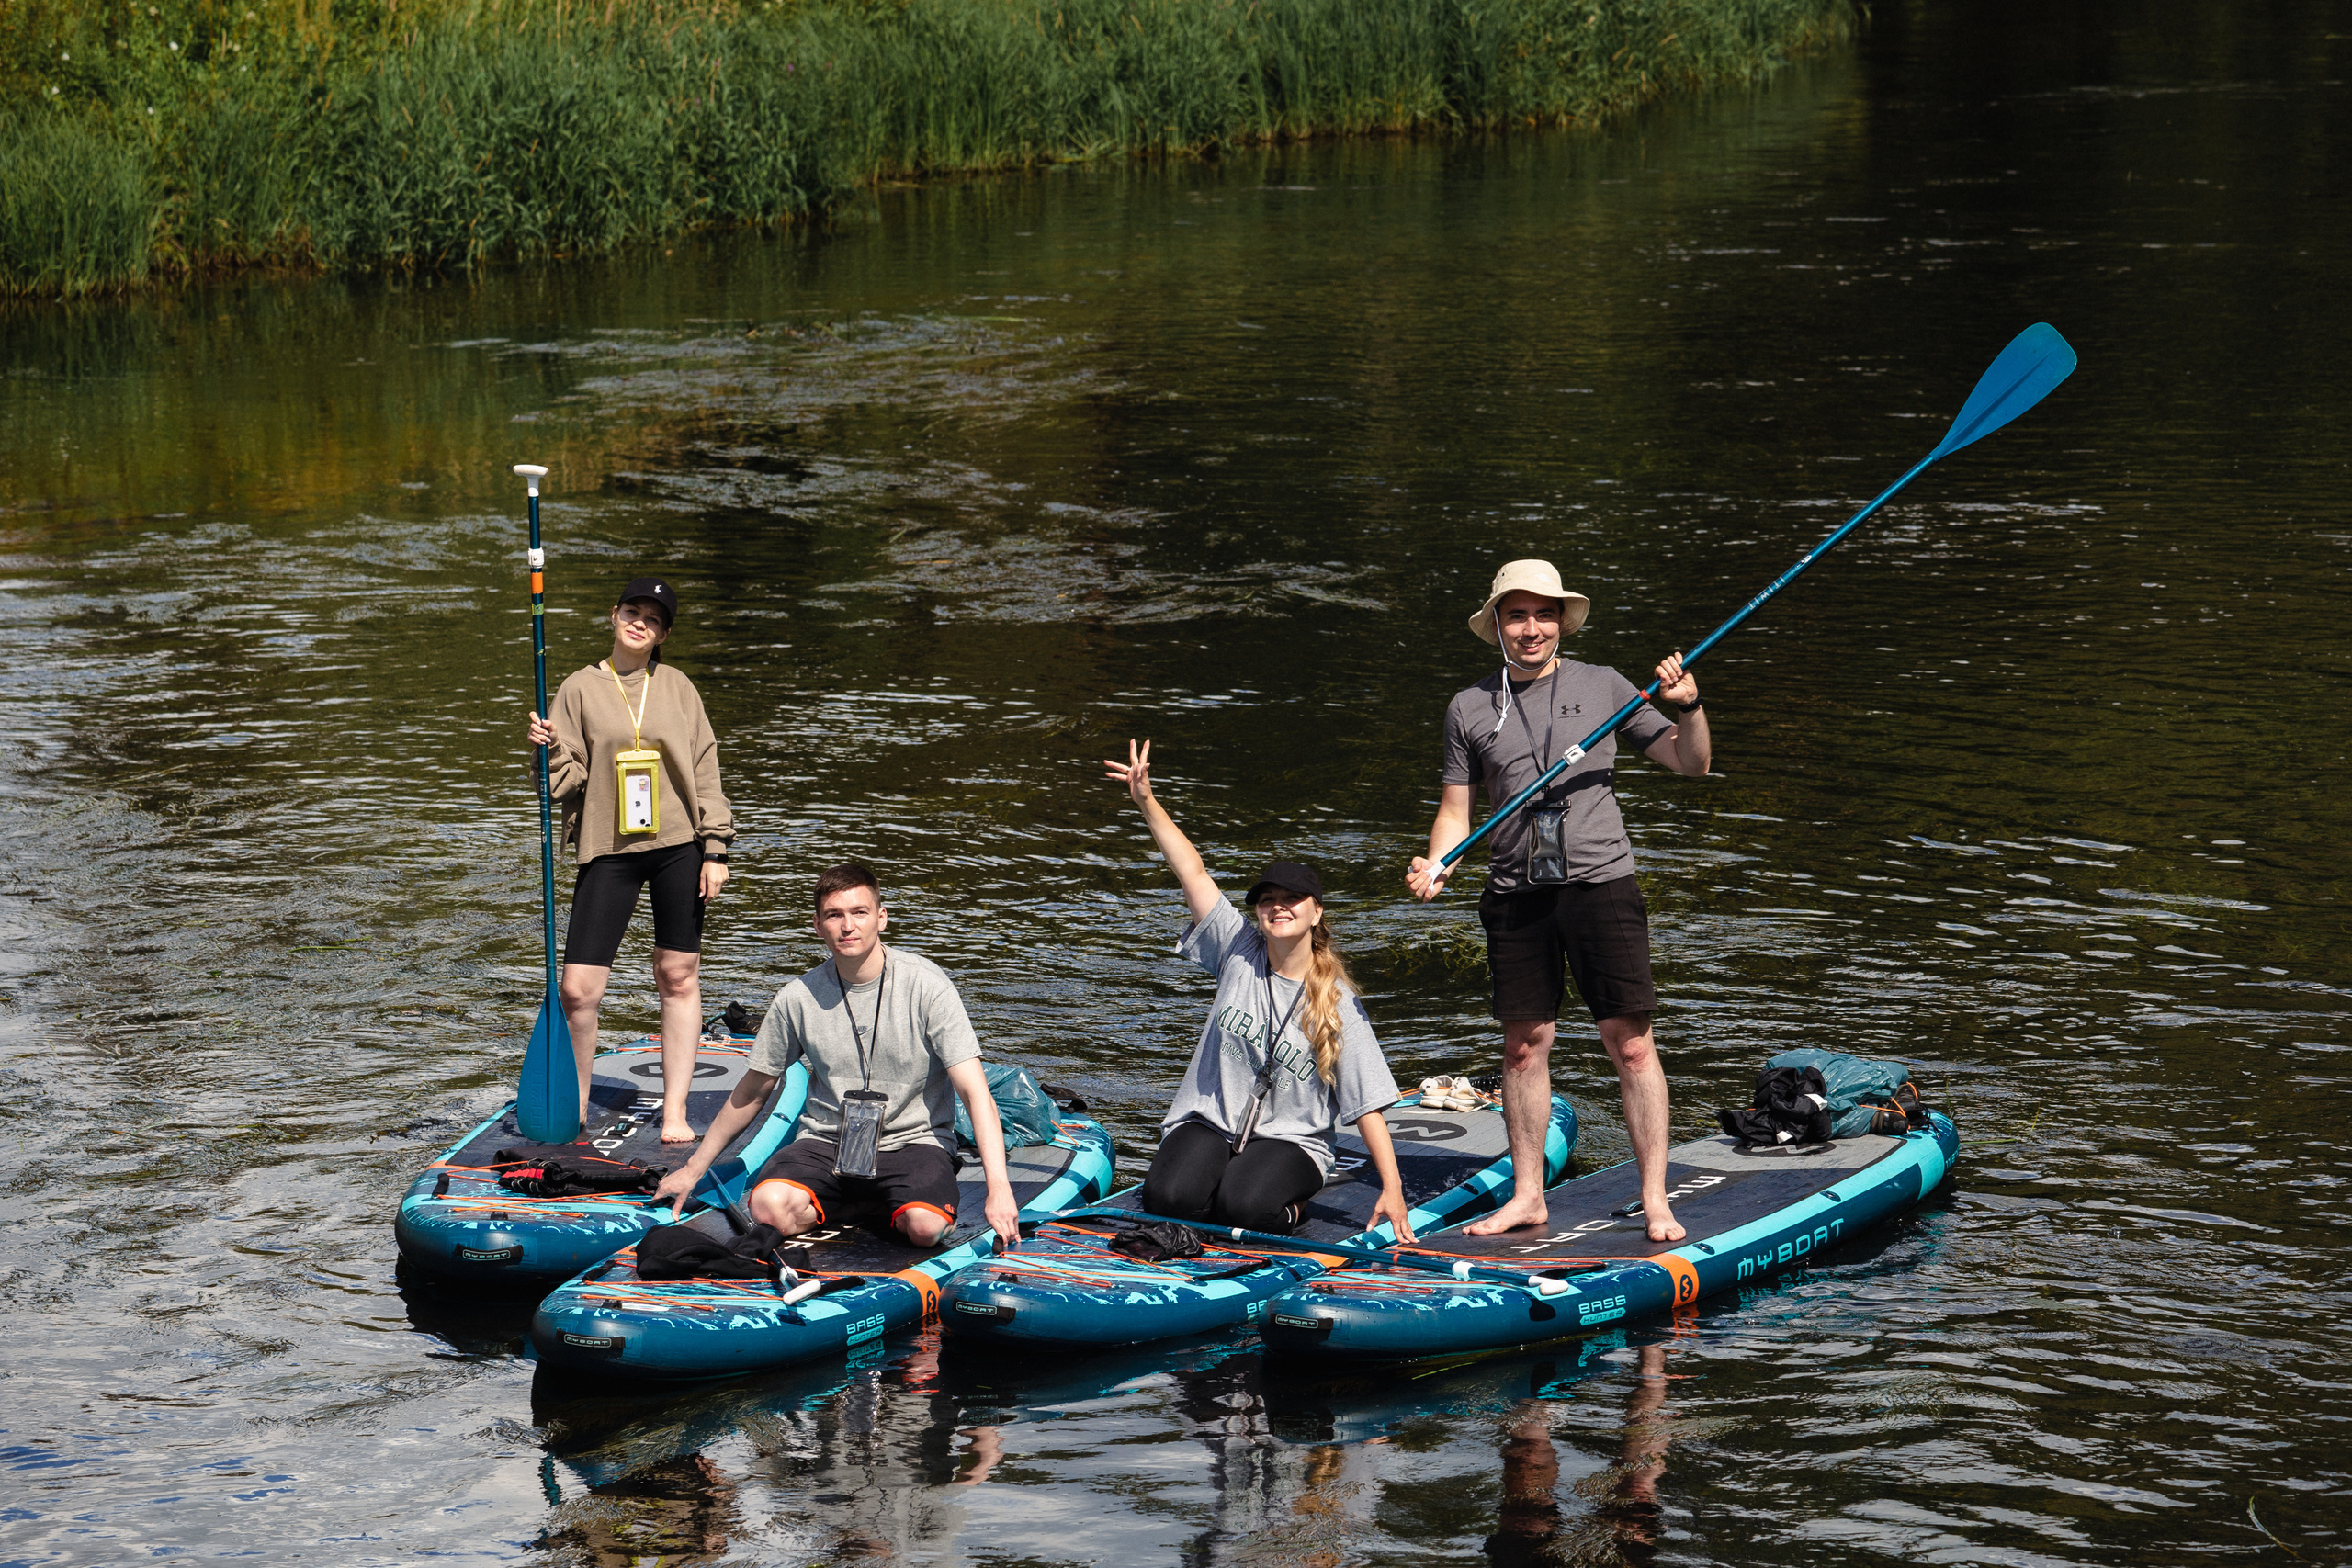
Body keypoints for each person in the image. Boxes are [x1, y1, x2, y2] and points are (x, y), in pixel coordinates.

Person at [1405, 560, 1710, 1243]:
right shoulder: (1468, 706)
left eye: (1544, 614)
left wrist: (1688, 706)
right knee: (1522, 1049)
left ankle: (1656, 1198)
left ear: (1562, 621)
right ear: (1498, 627)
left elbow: (1691, 764)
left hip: (1602, 885)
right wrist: (1440, 860)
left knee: (1630, 1045)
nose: (1531, 627)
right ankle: (1527, 1196)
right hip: (1516, 893)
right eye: (1517, 615)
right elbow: (1457, 809)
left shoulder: (1606, 686)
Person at [1107, 739, 1417, 1242]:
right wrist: (1146, 799)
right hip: (1213, 1121)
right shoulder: (1238, 950)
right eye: (1268, 900)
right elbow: (1192, 869)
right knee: (1168, 1200)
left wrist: (1393, 1186)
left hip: (1291, 1139)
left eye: (1293, 899)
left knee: (1244, 1208)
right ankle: (1216, 1179)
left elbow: (1368, 1104)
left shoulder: (1337, 1003)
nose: (1279, 907)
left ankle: (1290, 1208)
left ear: (1316, 913)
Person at [652, 863, 1021, 1248]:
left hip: (914, 1142)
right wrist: (693, 1169)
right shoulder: (797, 998)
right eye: (835, 915)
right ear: (818, 925)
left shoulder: (928, 986)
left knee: (926, 1229)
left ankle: (886, 1203)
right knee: (767, 1207)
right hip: (828, 1142)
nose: (848, 926)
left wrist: (999, 1189)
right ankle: (864, 1200)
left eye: (859, 912)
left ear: (881, 918)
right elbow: (753, 1091)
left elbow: (975, 1093)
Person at [525, 576, 734, 1143]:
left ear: (662, 634)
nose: (642, 622)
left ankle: (674, 1112)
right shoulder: (577, 688)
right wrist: (546, 753)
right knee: (578, 989)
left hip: (677, 847)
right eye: (634, 611)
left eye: (655, 618)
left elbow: (706, 767)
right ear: (614, 615)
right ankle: (575, 1108)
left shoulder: (678, 687)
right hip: (608, 846)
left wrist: (714, 849)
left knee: (677, 975)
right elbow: (562, 786)